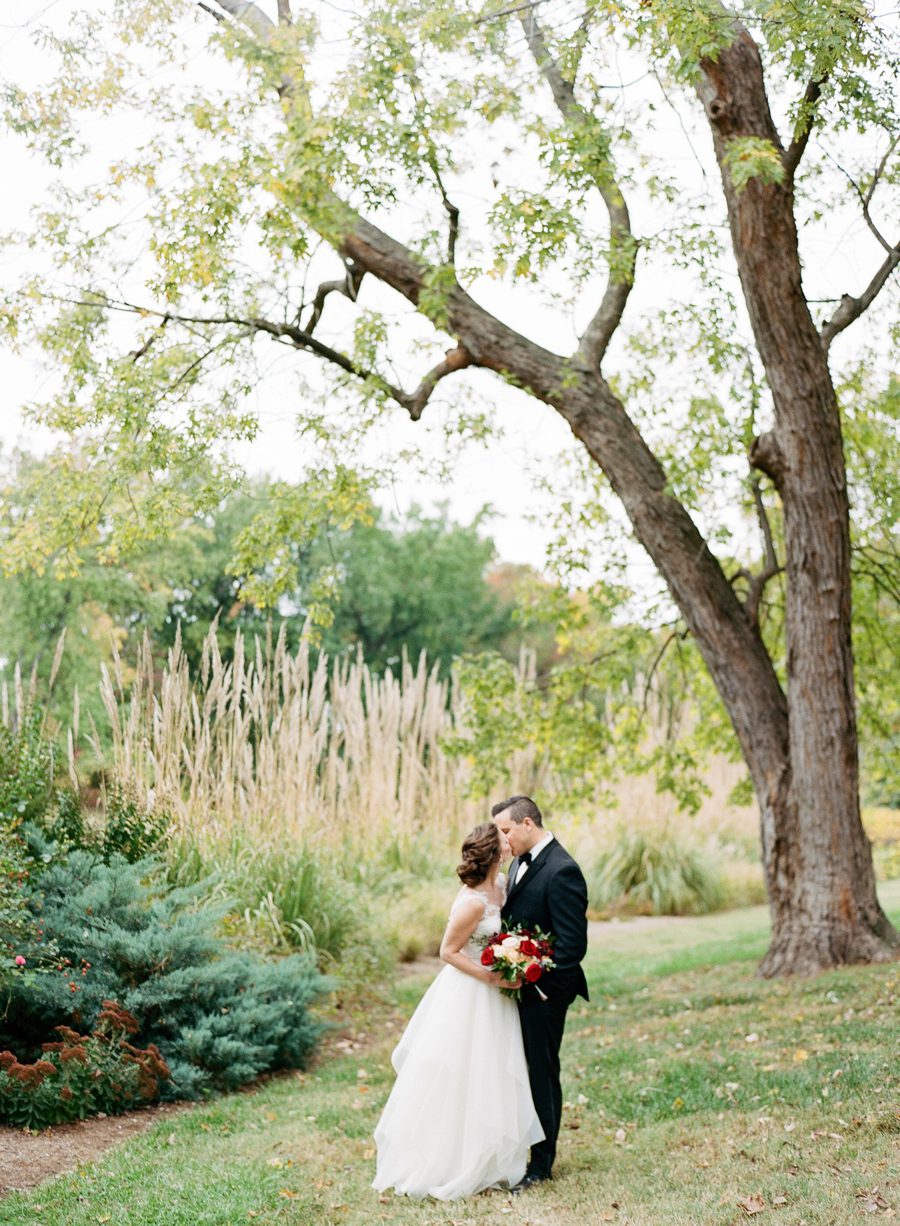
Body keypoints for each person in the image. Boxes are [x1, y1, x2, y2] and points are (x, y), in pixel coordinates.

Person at [372, 821, 544, 1201]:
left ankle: (494, 1160)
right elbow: (447, 952)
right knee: (463, 1072)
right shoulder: (472, 902)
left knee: (495, 1070)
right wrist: (493, 977)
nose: (509, 840)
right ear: (493, 852)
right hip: (470, 994)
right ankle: (452, 1161)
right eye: (503, 838)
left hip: (496, 996)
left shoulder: (502, 888)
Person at [492, 795, 589, 1192]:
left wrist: (542, 987)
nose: (502, 840)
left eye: (506, 830)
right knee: (519, 1070)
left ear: (528, 823)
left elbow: (571, 946)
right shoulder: (519, 861)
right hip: (518, 990)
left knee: (541, 1073)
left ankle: (542, 1164)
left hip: (544, 994)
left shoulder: (562, 870)